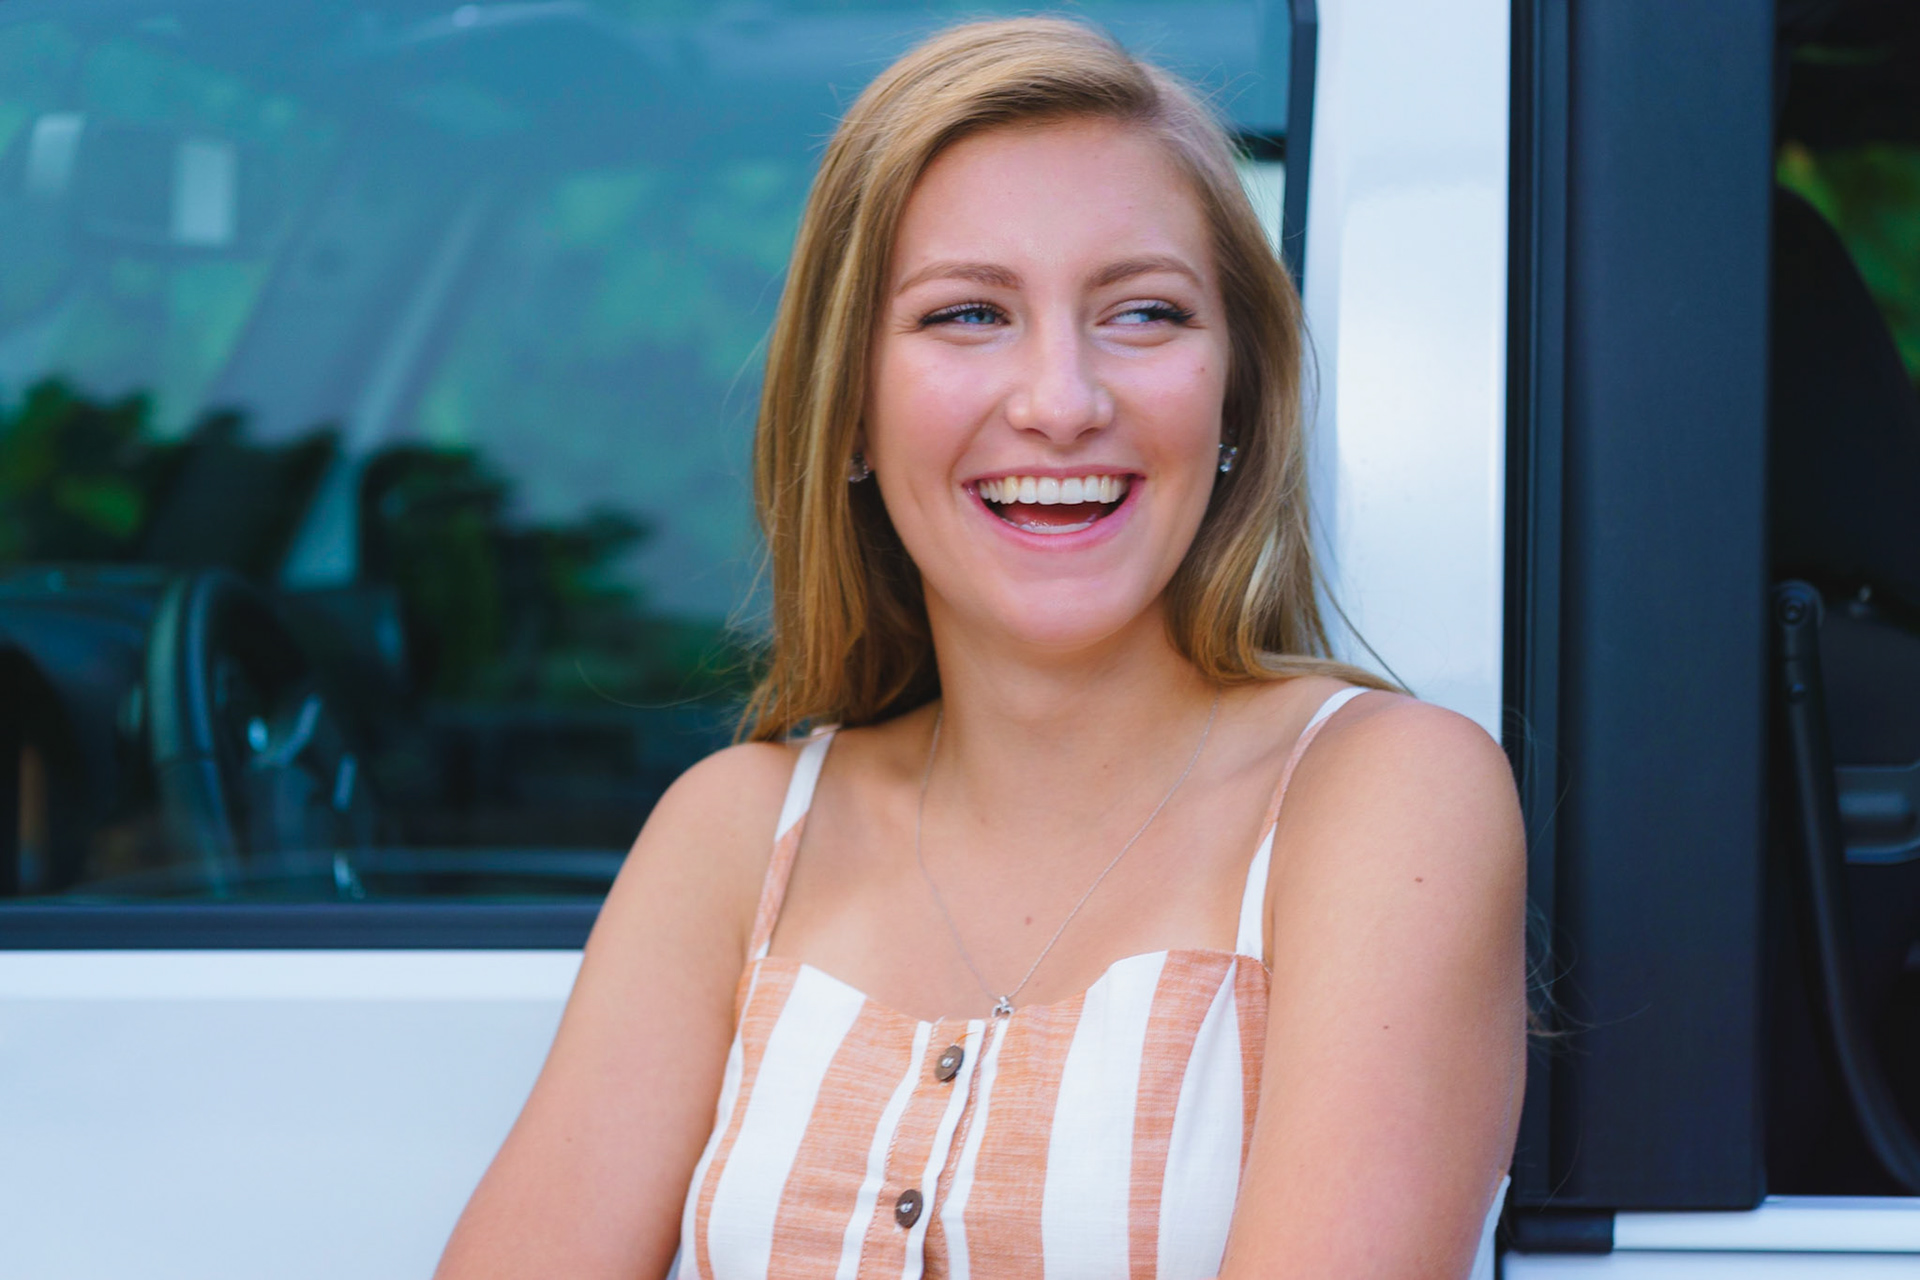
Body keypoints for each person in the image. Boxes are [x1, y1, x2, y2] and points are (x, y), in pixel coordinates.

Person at [436, 17, 1525, 1280]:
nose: (1062, 401)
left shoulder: (1383, 798)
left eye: (1144, 312)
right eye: (967, 313)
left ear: (1235, 391)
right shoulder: (732, 834)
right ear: (850, 405)